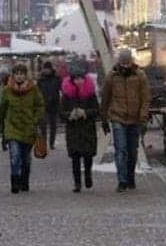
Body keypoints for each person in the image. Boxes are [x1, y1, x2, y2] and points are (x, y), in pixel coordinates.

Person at [100, 47, 150, 192]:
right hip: (118, 117)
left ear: (131, 62)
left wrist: (143, 118)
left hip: (135, 118)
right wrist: (104, 118)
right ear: (119, 62)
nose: (125, 66)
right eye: (123, 63)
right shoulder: (111, 77)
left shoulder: (140, 76)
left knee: (132, 151)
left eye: (127, 63)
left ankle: (130, 176)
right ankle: (122, 180)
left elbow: (145, 98)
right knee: (120, 150)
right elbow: (105, 98)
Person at [0, 62, 45, 194]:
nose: (19, 76)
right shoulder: (7, 90)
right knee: (15, 156)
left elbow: (40, 105)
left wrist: (35, 119)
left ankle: (24, 180)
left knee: (25, 158)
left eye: (22, 74)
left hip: (28, 127)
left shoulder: (33, 89)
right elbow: (2, 109)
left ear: (26, 75)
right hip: (12, 128)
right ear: (13, 75)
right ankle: (14, 182)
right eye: (17, 74)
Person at [60, 58, 100, 192]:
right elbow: (61, 112)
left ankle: (88, 175)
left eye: (80, 78)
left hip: (87, 129)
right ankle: (77, 183)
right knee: (75, 158)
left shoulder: (90, 94)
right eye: (76, 79)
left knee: (88, 156)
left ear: (85, 79)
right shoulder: (66, 96)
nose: (78, 81)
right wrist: (69, 115)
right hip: (73, 131)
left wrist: (86, 113)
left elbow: (96, 110)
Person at [37, 60, 62, 150]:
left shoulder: (57, 79)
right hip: (43, 105)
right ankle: (44, 142)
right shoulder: (40, 80)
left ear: (51, 69)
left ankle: (51, 143)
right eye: (45, 69)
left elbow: (61, 90)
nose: (46, 71)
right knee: (43, 125)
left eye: (48, 69)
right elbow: (37, 92)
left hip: (54, 104)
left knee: (53, 125)